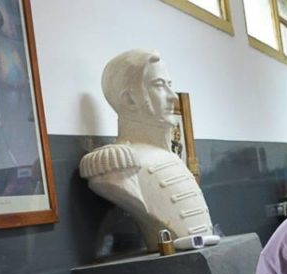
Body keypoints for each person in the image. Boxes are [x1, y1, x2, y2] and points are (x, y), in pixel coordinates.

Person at [79, 49, 213, 250]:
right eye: (159, 85)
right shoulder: (119, 165)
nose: (172, 97)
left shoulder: (170, 157)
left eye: (169, 86)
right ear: (129, 100)